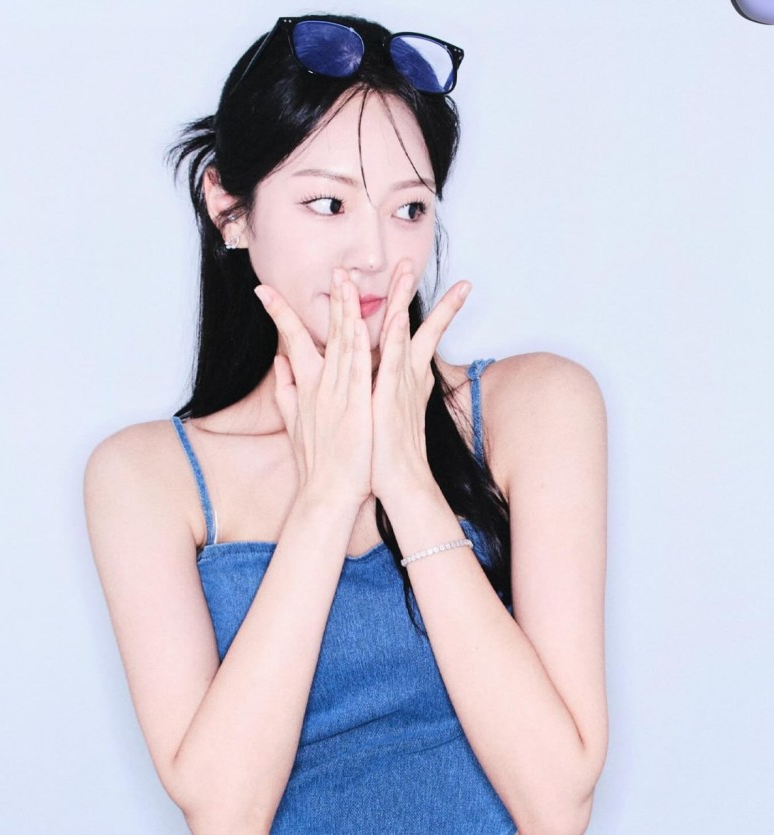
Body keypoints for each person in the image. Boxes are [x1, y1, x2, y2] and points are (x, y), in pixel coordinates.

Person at [83, 13, 608, 835]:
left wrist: (405, 479)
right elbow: (224, 813)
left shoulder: (534, 408)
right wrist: (326, 496)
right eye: (327, 203)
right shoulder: (146, 476)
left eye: (409, 208)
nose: (375, 252)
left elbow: (556, 801)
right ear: (228, 207)